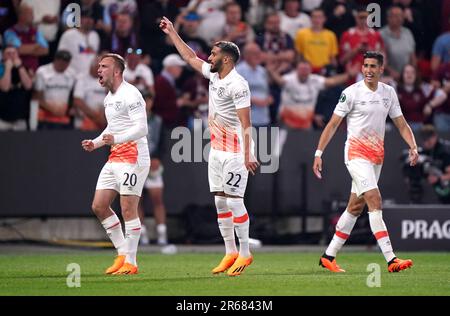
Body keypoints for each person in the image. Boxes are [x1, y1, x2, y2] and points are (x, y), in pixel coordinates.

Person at [160, 16, 259, 276]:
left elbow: (246, 121)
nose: (209, 57)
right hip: (216, 150)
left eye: (214, 54)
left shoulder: (238, 85)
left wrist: (249, 154)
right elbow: (191, 57)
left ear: (226, 59)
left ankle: (246, 253)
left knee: (236, 202)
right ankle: (230, 252)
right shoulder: (215, 76)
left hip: (236, 151)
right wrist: (172, 32)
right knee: (220, 203)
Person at [312, 51, 419, 273]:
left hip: (376, 156)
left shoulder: (388, 93)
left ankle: (328, 256)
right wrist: (318, 153)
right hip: (355, 154)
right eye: (365, 66)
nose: (368, 70)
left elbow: (400, 123)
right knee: (374, 199)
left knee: (355, 206)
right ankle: (391, 259)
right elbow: (332, 124)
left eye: (373, 66)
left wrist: (413, 145)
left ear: (381, 69)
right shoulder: (351, 93)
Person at [81, 53, 150, 275]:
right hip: (115, 156)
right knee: (99, 206)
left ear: (117, 71)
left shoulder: (131, 94)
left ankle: (131, 262)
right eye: (99, 66)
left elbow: (142, 128)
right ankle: (122, 253)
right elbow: (113, 128)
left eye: (104, 66)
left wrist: (115, 139)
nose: (99, 70)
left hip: (134, 157)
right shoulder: (109, 98)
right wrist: (96, 142)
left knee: (128, 208)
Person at [420, 125, 450, 204]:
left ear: (435, 137)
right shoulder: (429, 150)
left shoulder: (444, 152)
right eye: (424, 140)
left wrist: (438, 178)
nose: (426, 143)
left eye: (428, 140)